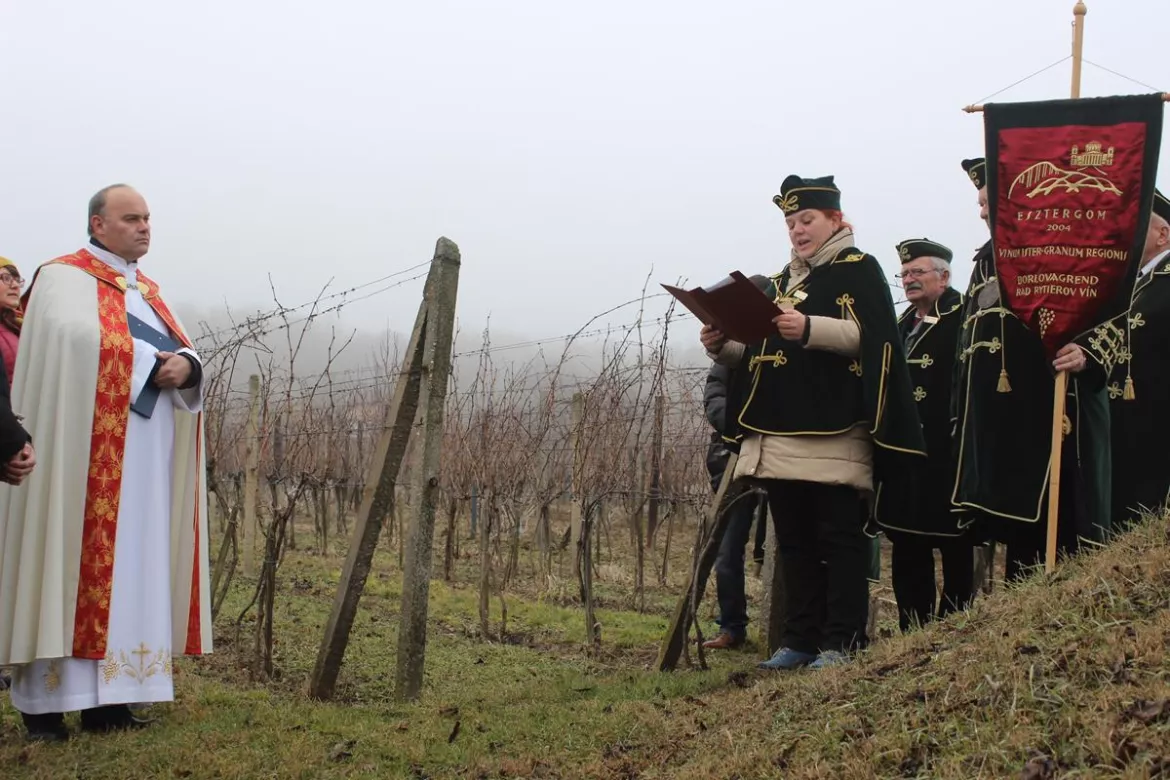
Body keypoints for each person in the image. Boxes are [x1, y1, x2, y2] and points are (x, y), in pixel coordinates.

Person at [0, 184, 211, 741]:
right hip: (79, 459)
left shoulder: (148, 291)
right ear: (98, 225)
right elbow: (70, 340)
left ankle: (112, 701)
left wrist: (186, 366)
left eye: (147, 219)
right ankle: (45, 705)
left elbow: (181, 347)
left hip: (142, 462)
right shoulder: (61, 278)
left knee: (132, 569)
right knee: (64, 564)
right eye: (131, 218)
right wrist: (148, 359)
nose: (144, 228)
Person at [702, 174, 926, 670]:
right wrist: (727, 346)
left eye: (807, 220)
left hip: (835, 429)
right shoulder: (784, 280)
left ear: (835, 220)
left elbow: (874, 340)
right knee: (795, 541)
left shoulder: (859, 269)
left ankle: (841, 641)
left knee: (839, 539)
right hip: (779, 430)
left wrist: (809, 328)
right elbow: (762, 349)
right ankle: (798, 640)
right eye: (790, 223)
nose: (797, 231)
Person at [951, 158, 1111, 582]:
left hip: (1046, 408)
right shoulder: (986, 259)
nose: (982, 211)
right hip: (996, 419)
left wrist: (1088, 350)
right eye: (979, 203)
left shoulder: (1063, 242)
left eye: (988, 202)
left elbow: (1108, 313)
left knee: (1054, 526)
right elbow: (967, 347)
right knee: (1013, 528)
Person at [887, 238, 973, 631]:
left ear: (945, 276)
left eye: (917, 272)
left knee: (954, 542)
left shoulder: (963, 315)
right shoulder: (900, 323)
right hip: (904, 452)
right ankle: (912, 626)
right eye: (904, 274)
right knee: (907, 541)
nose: (909, 280)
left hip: (946, 449)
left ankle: (955, 624)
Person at [1093, 188, 1170, 528]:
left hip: (1158, 422)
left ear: (1162, 234)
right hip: (1124, 423)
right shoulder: (1131, 285)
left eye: (1135, 228)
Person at [701, 275, 769, 651]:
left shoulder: (780, 340)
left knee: (784, 547)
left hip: (780, 456)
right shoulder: (730, 344)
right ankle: (732, 627)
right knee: (727, 550)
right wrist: (744, 428)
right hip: (732, 459)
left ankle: (791, 629)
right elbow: (714, 396)